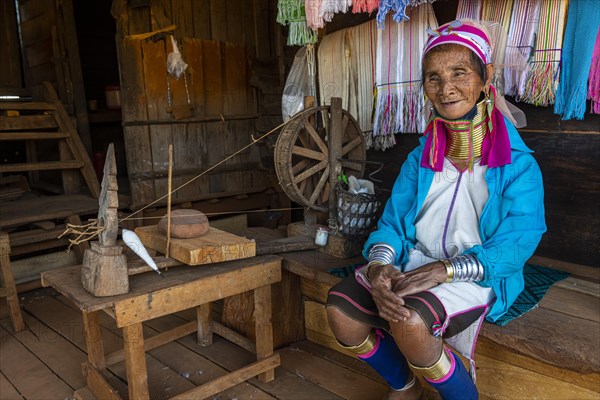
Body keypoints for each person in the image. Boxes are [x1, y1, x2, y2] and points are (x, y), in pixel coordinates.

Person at [326, 19, 546, 400]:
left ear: (485, 76)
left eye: (459, 72)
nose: (446, 88)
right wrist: (380, 268)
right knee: (340, 313)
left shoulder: (518, 165)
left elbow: (519, 242)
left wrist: (445, 269)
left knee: (410, 323)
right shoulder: (420, 158)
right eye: (433, 78)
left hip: (475, 275)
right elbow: (392, 222)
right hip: (412, 262)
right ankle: (405, 386)